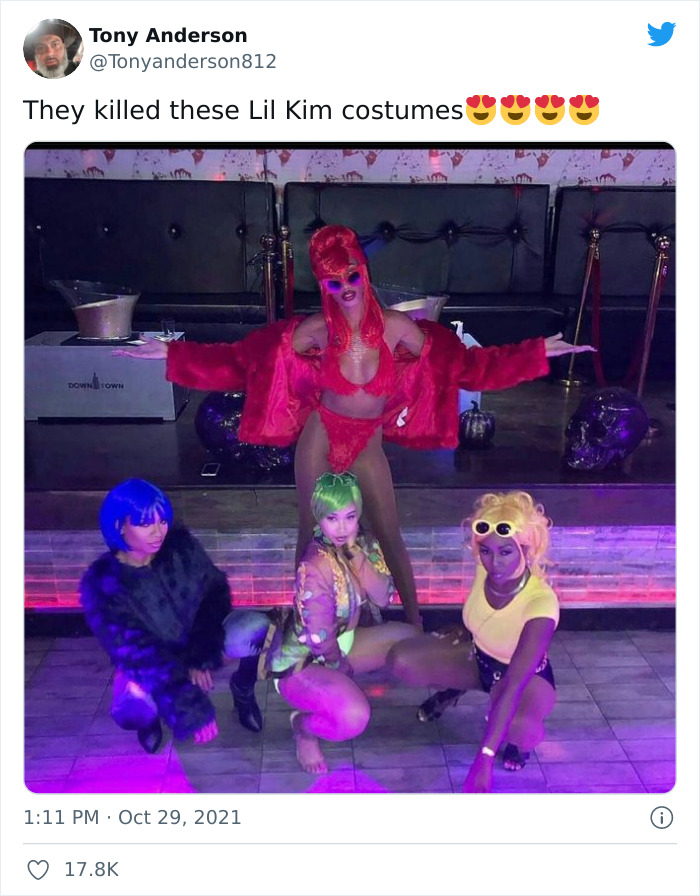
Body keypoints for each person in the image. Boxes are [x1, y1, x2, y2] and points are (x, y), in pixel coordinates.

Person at [115, 225, 591, 631]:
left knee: (389, 531)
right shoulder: (314, 333)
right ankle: (305, 626)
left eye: (351, 276)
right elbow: (241, 363)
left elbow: (465, 366)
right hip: (321, 436)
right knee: (310, 532)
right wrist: (172, 353)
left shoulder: (398, 328)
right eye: (332, 281)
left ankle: (416, 625)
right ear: (323, 286)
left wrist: (535, 353)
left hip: (367, 442)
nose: (344, 288)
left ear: (364, 273)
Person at [387, 491, 558, 793]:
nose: (494, 562)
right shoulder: (484, 567)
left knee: (522, 729)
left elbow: (514, 683)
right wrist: (466, 629)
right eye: (486, 550)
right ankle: (455, 689)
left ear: (527, 549)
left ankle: (517, 745)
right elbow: (485, 613)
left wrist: (485, 758)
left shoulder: (541, 603)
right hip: (479, 659)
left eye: (506, 552)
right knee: (402, 660)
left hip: (523, 678)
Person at [80, 479, 269, 753]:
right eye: (145, 524)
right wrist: (190, 707)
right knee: (131, 702)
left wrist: (200, 656)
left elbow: (214, 594)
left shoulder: (180, 548)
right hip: (155, 662)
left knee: (256, 628)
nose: (158, 531)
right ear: (120, 526)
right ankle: (150, 720)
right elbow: (139, 654)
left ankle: (243, 689)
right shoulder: (105, 585)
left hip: (195, 645)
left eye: (162, 521)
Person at [258, 472, 415, 773]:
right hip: (303, 660)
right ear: (319, 517)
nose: (342, 528)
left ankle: (336, 692)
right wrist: (339, 667)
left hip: (344, 641)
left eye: (350, 517)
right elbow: (318, 635)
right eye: (332, 518)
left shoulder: (361, 543)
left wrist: (355, 554)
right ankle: (304, 727)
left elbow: (383, 597)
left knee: (411, 640)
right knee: (354, 717)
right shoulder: (315, 564)